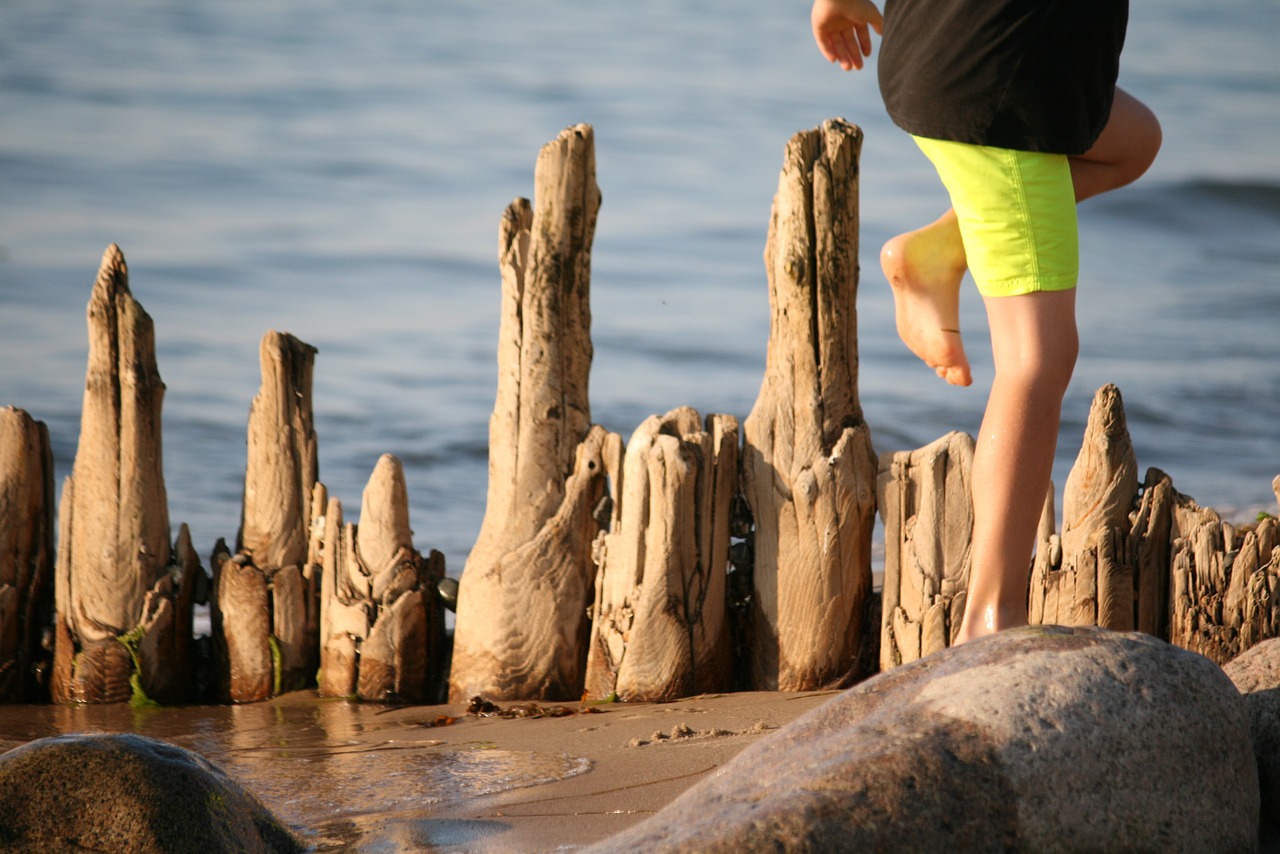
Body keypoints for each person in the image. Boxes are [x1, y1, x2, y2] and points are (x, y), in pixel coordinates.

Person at [810, 0, 1161, 641]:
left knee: (1134, 140)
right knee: (1038, 357)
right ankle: (990, 619)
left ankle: (936, 252)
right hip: (1002, 91)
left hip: (963, 56)